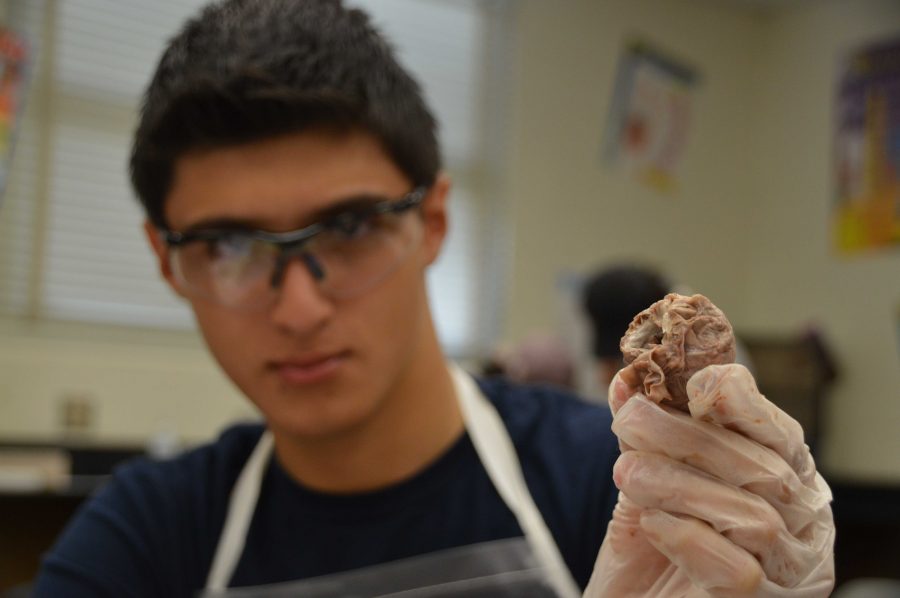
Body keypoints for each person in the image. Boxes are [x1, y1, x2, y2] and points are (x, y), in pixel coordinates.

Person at [34, 1, 835, 596]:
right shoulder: (149, 539)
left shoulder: (627, 483)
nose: (301, 311)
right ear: (168, 264)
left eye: (347, 226)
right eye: (231, 247)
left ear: (432, 224)